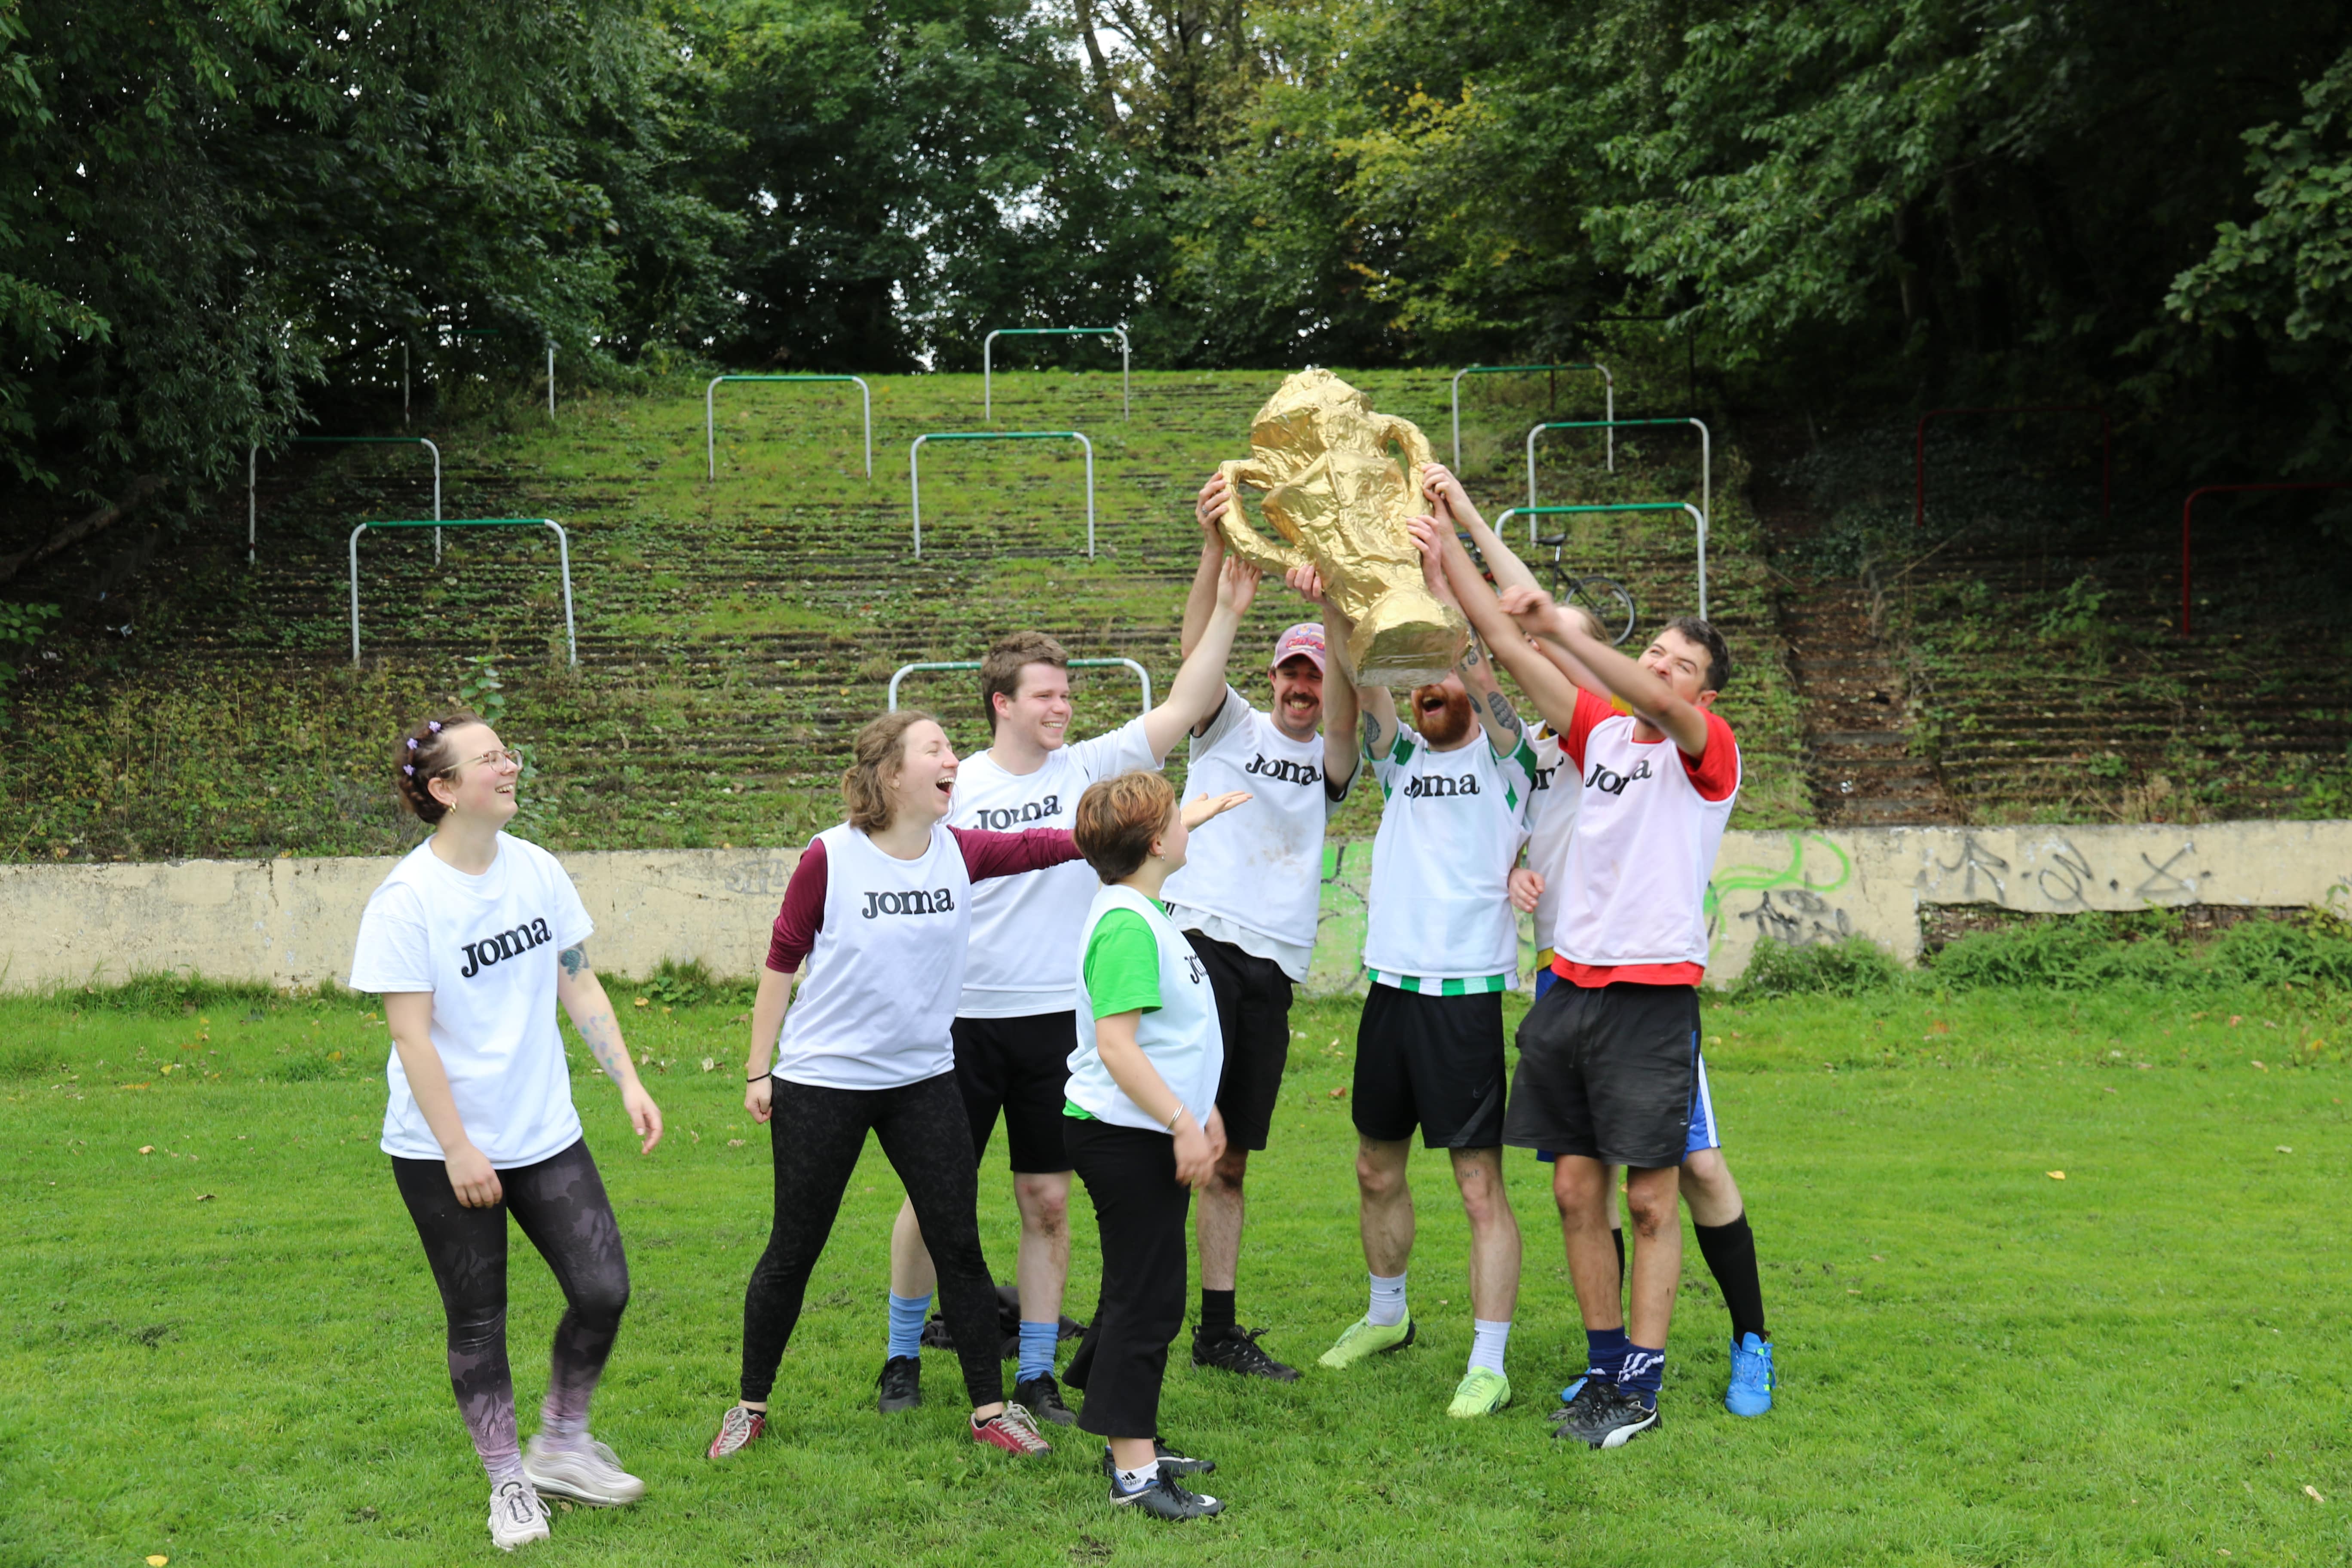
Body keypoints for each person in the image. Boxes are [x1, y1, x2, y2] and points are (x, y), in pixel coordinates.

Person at [1421, 471, 1776, 1424]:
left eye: (1678, 664)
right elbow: (1506, 643)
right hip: (1568, 990)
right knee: (1578, 1191)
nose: (1661, 667)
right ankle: (1607, 1364)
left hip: (1652, 1000)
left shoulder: (1708, 750)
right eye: (1654, 650)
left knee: (1659, 1197)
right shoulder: (1600, 736)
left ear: (1704, 693)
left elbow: (1621, 679)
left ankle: (1648, 1384)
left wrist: (1565, 631)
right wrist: (1446, 535)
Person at [882, 559, 1261, 1424]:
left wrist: (1228, 609)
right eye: (1045, 696)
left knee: (1047, 1202)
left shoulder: (1092, 766)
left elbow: (1184, 703)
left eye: (1067, 694)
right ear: (1002, 704)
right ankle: (901, 1356)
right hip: (962, 1023)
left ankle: (1037, 1373)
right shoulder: (957, 785)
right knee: (933, 1199)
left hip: (1055, 1026)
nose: (1063, 707)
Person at [707, 709, 1107, 1464]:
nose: (953, 759)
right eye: (936, 749)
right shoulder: (831, 856)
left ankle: (991, 1411)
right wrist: (760, 1069)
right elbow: (781, 963)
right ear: (893, 774)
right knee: (794, 1248)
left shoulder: (960, 851)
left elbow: (1044, 846)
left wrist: (1137, 828)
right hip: (822, 1080)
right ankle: (749, 1407)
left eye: (951, 747)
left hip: (923, 1078)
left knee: (959, 1244)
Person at [348, 712, 665, 1553]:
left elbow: (578, 982)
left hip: (543, 1130)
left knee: (603, 1290)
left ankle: (561, 1443)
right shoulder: (407, 900)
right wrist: (458, 1148)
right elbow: (411, 1037)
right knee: (478, 1318)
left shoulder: (537, 869)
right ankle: (507, 1484)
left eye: (507, 753)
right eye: (490, 759)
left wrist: (627, 1080)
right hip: (442, 1148)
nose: (510, 766)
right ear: (446, 788)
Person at [1308, 534, 1537, 1421]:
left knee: (1479, 1187)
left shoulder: (1510, 762)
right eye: (1419, 681)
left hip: (1465, 1002)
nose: (1427, 689)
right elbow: (1362, 677)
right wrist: (1334, 596)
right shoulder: (1399, 761)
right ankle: (1387, 1316)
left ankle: (1489, 1362)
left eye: (1441, 675)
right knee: (1375, 1169)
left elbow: (1482, 673)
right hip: (1391, 996)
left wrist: (1443, 588)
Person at [1152, 473, 1361, 1384]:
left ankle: (1217, 1328)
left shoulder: (1332, 759)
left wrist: (1338, 608)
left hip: (1271, 968)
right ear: (1272, 679)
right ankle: (1142, 1313)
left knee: (1232, 1158)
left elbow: (1350, 705)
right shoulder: (1228, 727)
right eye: (1292, 673)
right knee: (1175, 1141)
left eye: (1314, 675)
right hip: (1200, 945)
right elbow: (1196, 649)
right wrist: (1214, 551)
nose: (1302, 689)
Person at [1062, 770, 1253, 1520]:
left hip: (1146, 1130)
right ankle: (1135, 1475)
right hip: (1126, 1135)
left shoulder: (1139, 905)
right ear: (1152, 844)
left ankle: (1123, 1429)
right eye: (1177, 818)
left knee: (1138, 1290)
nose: (1185, 826)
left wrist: (1202, 1112)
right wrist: (1182, 1120)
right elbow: (1117, 1045)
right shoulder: (1127, 926)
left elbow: (1171, 1037)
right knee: (1148, 1300)